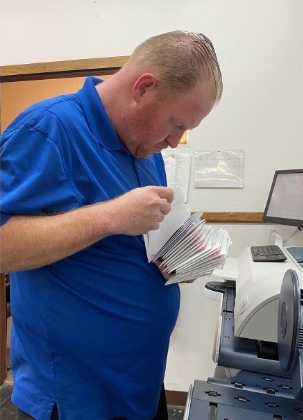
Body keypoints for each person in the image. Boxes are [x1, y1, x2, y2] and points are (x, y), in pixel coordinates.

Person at [0, 30, 223, 420]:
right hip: (75, 399)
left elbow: (129, 244)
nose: (176, 141)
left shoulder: (143, 146)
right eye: (175, 123)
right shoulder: (49, 129)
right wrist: (111, 216)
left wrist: (174, 263)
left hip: (137, 383)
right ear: (144, 88)